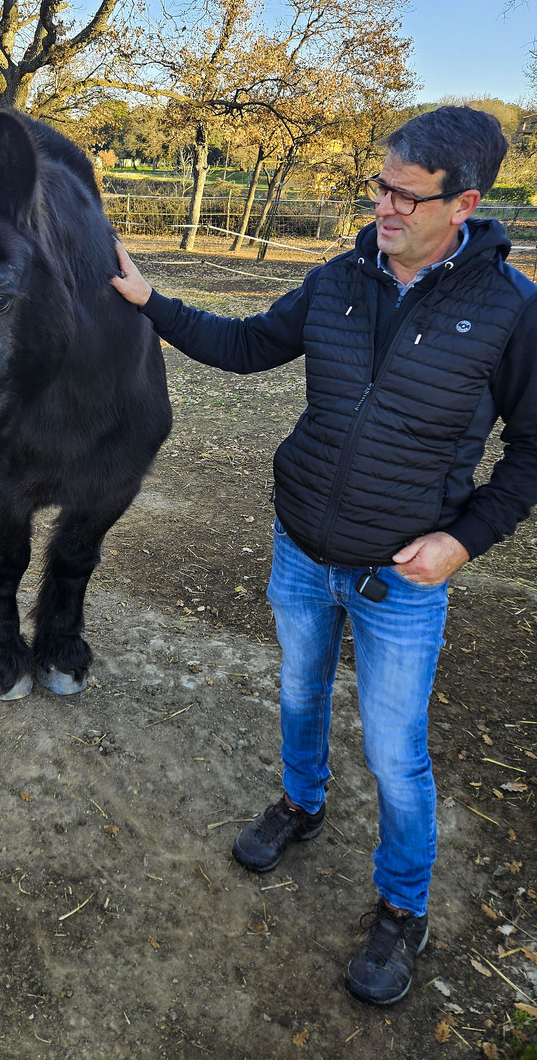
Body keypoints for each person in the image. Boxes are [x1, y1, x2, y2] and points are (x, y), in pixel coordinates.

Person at [110, 105, 537, 1006]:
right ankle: (302, 805)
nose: (382, 208)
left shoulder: (510, 311)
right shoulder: (341, 278)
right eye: (378, 186)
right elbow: (248, 344)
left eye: (404, 197)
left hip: (402, 578)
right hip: (302, 546)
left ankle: (401, 908)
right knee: (301, 692)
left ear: (463, 203)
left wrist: (464, 541)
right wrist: (152, 303)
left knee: (394, 751)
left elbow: (533, 451)